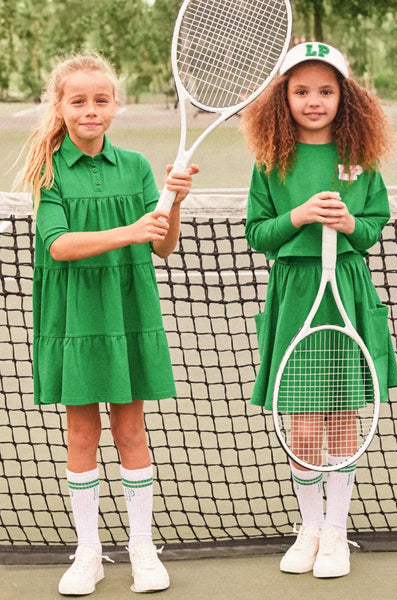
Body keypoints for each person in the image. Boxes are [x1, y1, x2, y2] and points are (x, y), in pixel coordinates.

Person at [17, 52, 198, 596]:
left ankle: (142, 548)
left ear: (115, 106)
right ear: (60, 106)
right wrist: (130, 231)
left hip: (127, 308)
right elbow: (59, 244)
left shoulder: (138, 166)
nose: (90, 110)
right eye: (78, 101)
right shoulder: (47, 169)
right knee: (80, 434)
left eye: (101, 100)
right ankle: (88, 553)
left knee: (131, 431)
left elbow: (163, 245)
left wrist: (174, 202)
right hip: (74, 315)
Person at [241, 41, 397, 578]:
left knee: (342, 418)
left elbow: (373, 225)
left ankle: (336, 531)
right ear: (283, 98)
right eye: (302, 91)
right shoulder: (271, 162)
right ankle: (310, 527)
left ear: (344, 97)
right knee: (305, 425)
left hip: (347, 292)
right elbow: (258, 234)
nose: (314, 101)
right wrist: (300, 215)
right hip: (295, 294)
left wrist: (350, 224)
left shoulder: (361, 159)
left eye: (326, 91)